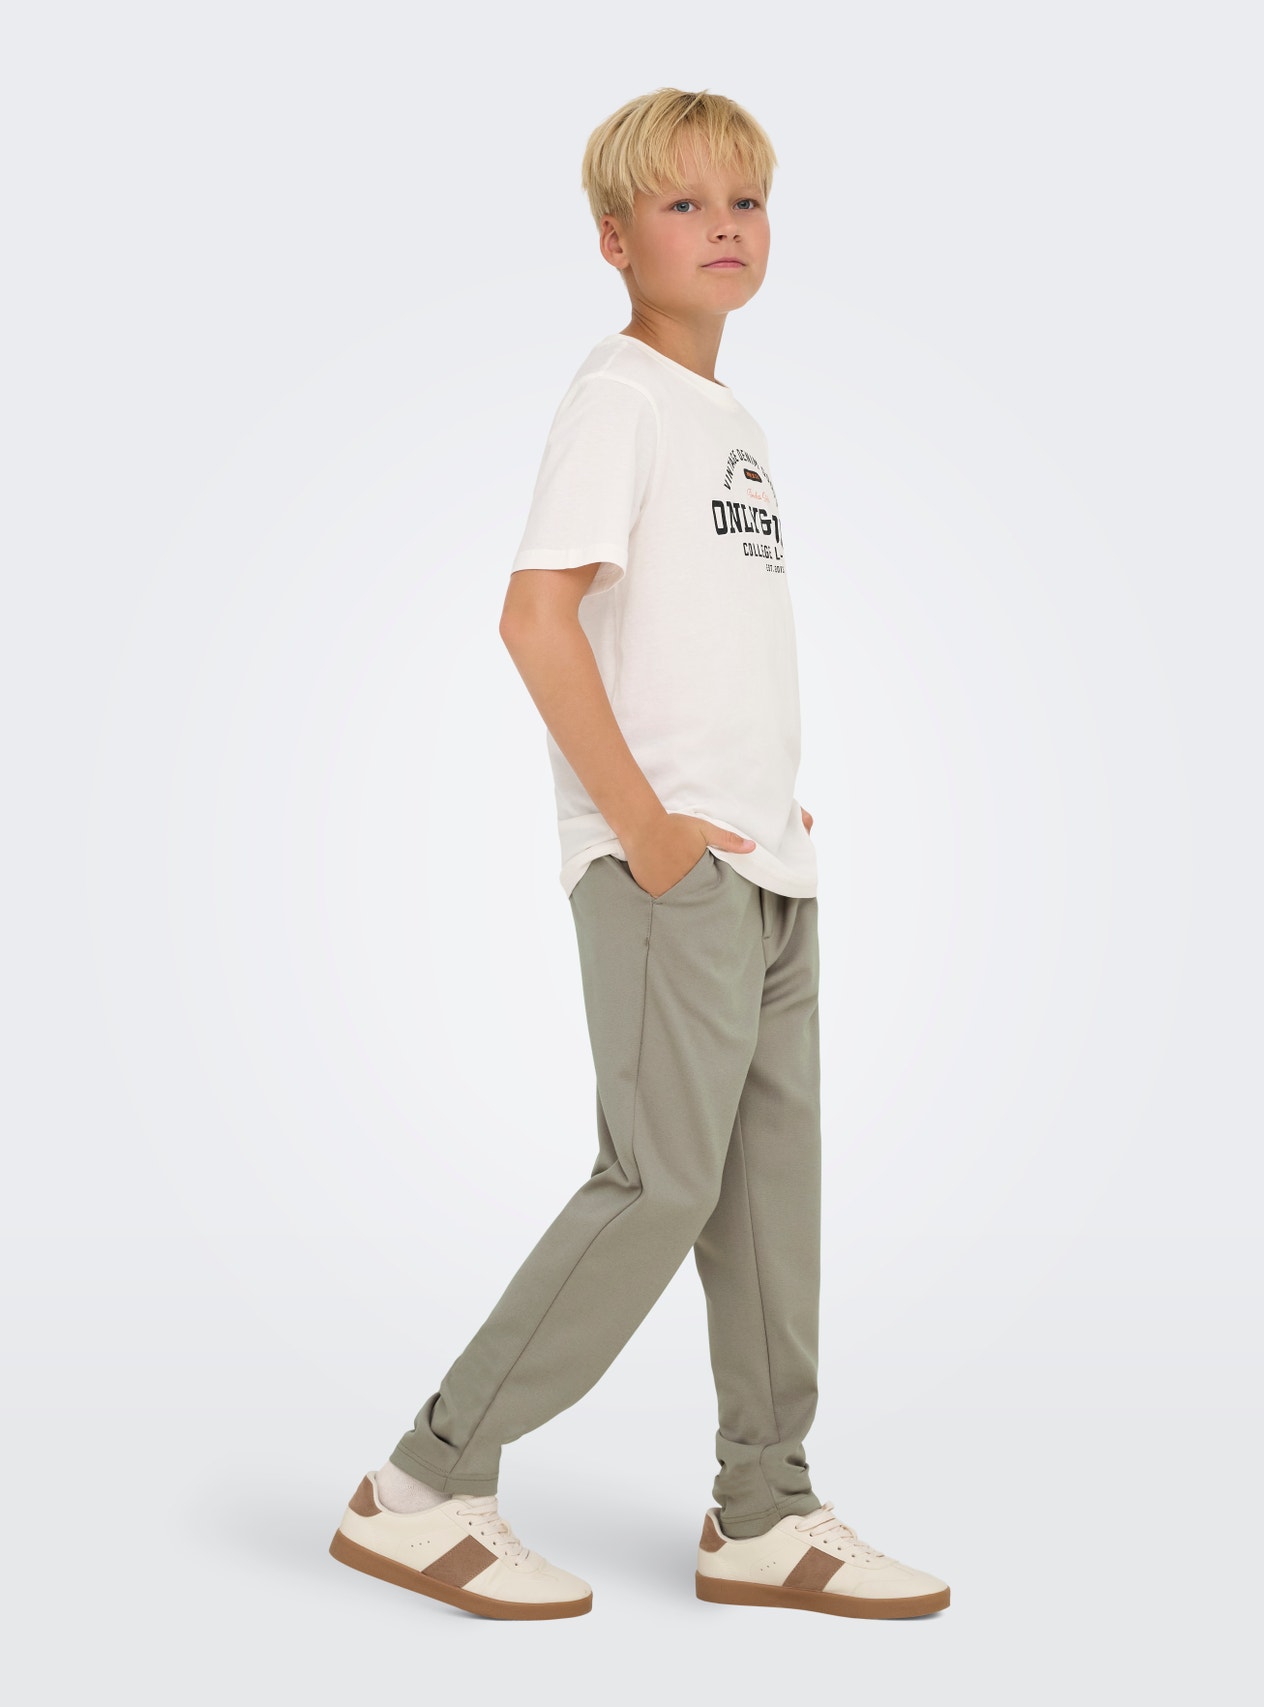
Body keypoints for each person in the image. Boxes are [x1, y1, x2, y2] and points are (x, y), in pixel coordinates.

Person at [329, 86, 950, 1623]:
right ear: (614, 240)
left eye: (746, 200)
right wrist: (653, 830)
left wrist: (766, 811)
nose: (724, 226)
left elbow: (701, 645)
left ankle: (766, 1509)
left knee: (767, 1200)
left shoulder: (731, 420)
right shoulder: (619, 396)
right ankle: (421, 1486)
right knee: (658, 1183)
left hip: (768, 869)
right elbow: (535, 619)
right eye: (684, 204)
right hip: (670, 875)